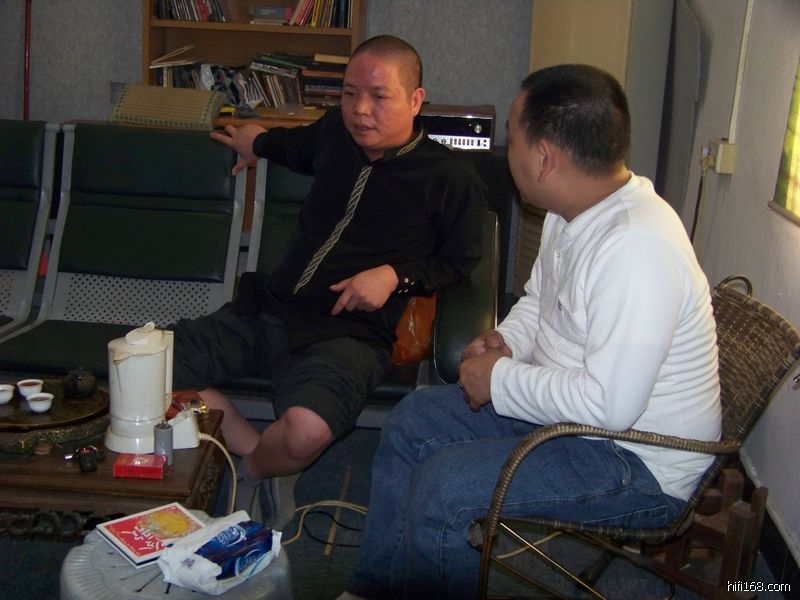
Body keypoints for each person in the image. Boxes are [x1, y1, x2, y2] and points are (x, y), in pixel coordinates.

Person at [339, 64, 721, 600]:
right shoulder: (574, 211)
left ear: (544, 158)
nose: (507, 150)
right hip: (576, 421)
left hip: (637, 460)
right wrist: (507, 341)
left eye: (513, 139)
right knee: (412, 421)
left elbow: (609, 407)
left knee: (447, 491)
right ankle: (377, 589)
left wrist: (499, 380)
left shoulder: (637, 249)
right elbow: (541, 301)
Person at [169, 35, 487, 530]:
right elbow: (290, 146)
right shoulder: (334, 134)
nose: (360, 110)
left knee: (305, 432)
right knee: (145, 367)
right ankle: (255, 451)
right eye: (349, 94)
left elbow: (460, 262)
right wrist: (255, 143)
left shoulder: (449, 177)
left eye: (378, 97)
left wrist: (395, 276)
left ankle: (252, 474)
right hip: (269, 310)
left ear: (415, 100)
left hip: (347, 336)